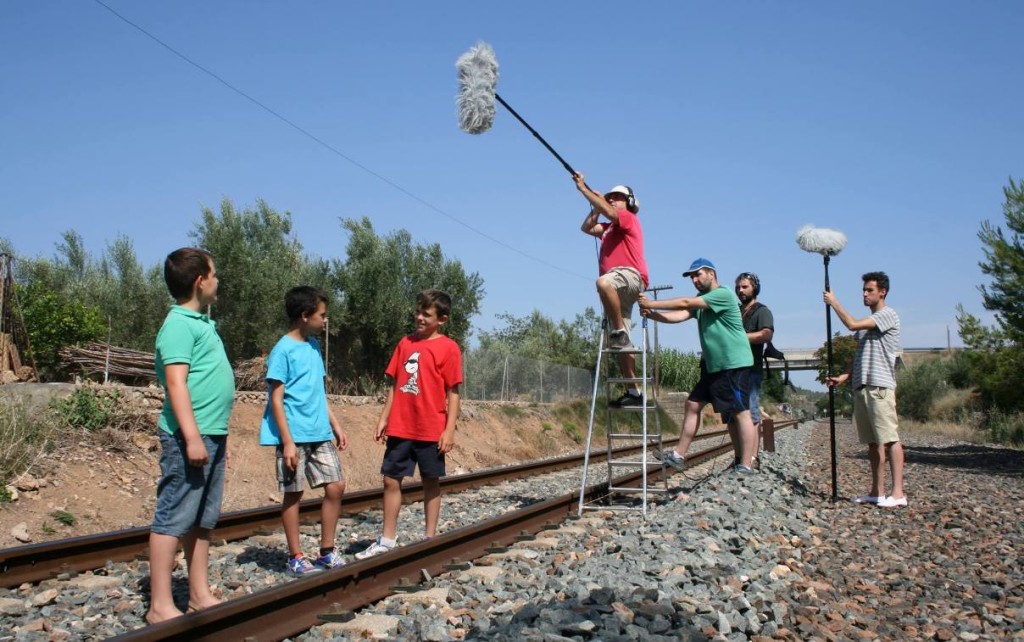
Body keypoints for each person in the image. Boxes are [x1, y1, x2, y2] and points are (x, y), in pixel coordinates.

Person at [147, 248, 235, 624]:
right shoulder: (178, 325)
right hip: (189, 437)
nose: (218, 280)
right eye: (214, 274)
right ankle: (159, 605)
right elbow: (175, 384)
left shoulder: (200, 323)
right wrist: (192, 436)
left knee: (202, 518)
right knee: (173, 516)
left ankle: (198, 594)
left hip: (211, 434)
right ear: (201, 280)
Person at [356, 289, 463, 558]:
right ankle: (387, 540)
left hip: (430, 428)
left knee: (430, 481)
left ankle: (429, 538)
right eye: (418, 312)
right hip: (401, 425)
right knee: (391, 479)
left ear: (442, 319)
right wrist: (384, 417)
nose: (419, 318)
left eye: (426, 314)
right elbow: (395, 384)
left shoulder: (449, 348)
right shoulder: (405, 343)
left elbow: (453, 392)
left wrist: (449, 430)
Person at [260, 286, 350, 576]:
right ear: (304, 315)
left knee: (336, 486)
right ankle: (295, 556)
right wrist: (286, 442)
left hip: (319, 432)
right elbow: (276, 398)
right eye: (322, 315)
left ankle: (326, 551)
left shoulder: (313, 347)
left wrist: (335, 425)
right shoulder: (282, 350)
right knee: (293, 493)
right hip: (293, 436)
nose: (325, 321)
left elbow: (318, 392)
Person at [638, 258, 757, 474]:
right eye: (691, 277)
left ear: (711, 273)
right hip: (714, 366)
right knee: (692, 404)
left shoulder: (723, 294)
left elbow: (684, 304)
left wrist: (652, 303)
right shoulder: (702, 300)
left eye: (697, 274)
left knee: (741, 412)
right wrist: (653, 314)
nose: (694, 279)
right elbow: (680, 315)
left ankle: (746, 465)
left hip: (733, 364)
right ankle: (678, 456)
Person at [824, 272, 905, 507]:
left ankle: (898, 493)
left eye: (870, 290)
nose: (865, 294)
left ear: (883, 292)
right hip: (862, 387)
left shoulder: (888, 315)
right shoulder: (864, 328)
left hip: (880, 387)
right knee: (872, 442)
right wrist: (844, 377)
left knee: (890, 439)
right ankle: (876, 491)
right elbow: (856, 356)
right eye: (864, 290)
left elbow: (850, 324)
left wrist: (834, 302)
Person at [575, 172, 650, 407]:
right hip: (617, 289)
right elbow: (586, 227)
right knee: (619, 346)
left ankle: (619, 330)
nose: (613, 200)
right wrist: (595, 204)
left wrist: (584, 190)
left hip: (629, 277)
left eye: (617, 197)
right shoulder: (607, 228)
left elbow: (611, 213)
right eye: (610, 197)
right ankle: (634, 392)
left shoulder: (628, 218)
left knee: (603, 282)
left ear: (628, 202)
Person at [723, 273, 774, 460]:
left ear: (755, 288)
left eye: (745, 287)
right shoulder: (735, 311)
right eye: (738, 287)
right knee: (730, 415)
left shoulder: (762, 311)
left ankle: (751, 459)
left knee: (750, 412)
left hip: (751, 369)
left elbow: (766, 335)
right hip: (730, 369)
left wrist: (739, 338)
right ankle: (739, 457)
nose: (740, 290)